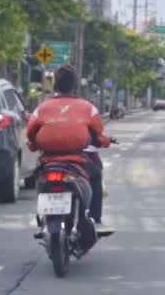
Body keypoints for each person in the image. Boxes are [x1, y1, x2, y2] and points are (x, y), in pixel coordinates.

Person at [25, 64, 113, 226]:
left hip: (48, 162)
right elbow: (99, 136)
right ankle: (95, 219)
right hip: (76, 160)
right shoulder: (89, 108)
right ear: (74, 85)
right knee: (96, 175)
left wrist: (32, 145)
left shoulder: (41, 108)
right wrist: (104, 141)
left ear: (55, 84)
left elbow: (30, 134)